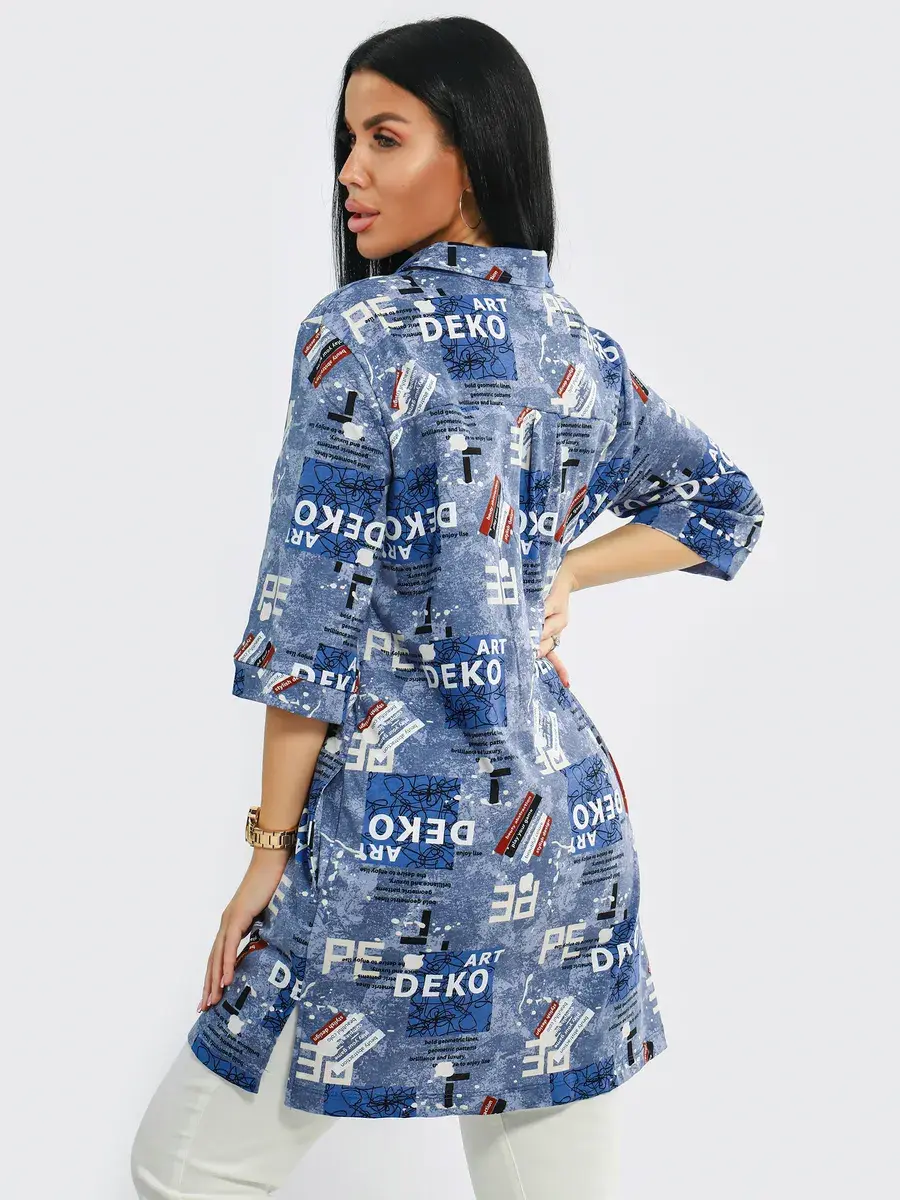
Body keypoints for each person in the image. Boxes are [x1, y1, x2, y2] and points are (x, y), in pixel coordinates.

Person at [131, 15, 765, 1199]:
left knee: (186, 1168)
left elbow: (307, 625)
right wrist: (562, 570)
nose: (348, 172)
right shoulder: (575, 348)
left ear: (471, 153)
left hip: (390, 839)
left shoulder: (357, 338)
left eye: (385, 137)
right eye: (346, 140)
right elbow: (722, 504)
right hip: (562, 839)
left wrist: (267, 851)